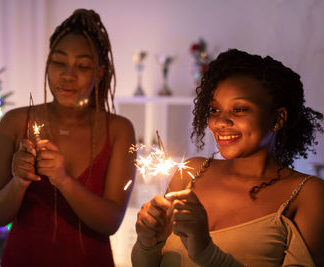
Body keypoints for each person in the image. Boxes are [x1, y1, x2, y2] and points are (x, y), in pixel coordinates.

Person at [132, 49, 324, 266]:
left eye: (239, 109)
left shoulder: (309, 195)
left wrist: (205, 251)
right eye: (214, 109)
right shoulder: (190, 173)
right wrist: (148, 243)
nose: (220, 122)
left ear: (278, 118)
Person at [0, 9, 136, 266]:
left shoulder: (119, 130)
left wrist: (63, 179)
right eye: (59, 62)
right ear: (48, 63)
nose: (68, 75)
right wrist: (19, 181)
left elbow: (110, 222)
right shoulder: (15, 123)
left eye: (83, 66)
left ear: (99, 73)